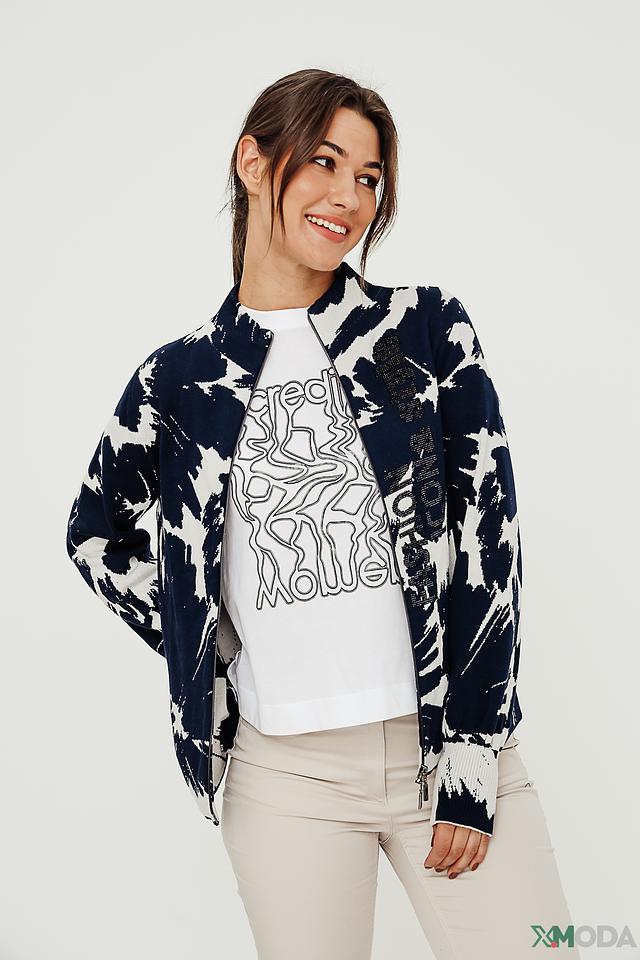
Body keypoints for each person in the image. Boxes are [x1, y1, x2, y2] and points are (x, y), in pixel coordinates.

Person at [66, 69, 579, 959]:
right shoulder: (180, 379)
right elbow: (94, 535)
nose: (349, 197)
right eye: (326, 163)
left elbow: (488, 533)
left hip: (442, 746)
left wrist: (472, 748)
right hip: (282, 775)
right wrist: (210, 645)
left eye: (369, 177)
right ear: (254, 162)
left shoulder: (423, 332)